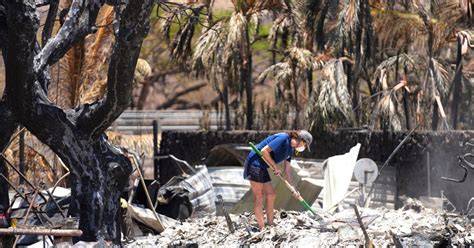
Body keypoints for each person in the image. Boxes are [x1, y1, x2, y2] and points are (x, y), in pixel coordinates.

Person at [243, 130, 313, 230]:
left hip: (263, 166)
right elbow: (264, 151)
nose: (304, 148)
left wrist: (293, 189)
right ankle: (262, 227)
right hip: (254, 163)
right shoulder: (283, 138)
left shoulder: (290, 150)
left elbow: (287, 170)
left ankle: (270, 224)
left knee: (271, 195)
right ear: (301, 140)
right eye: (305, 145)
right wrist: (275, 166)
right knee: (259, 196)